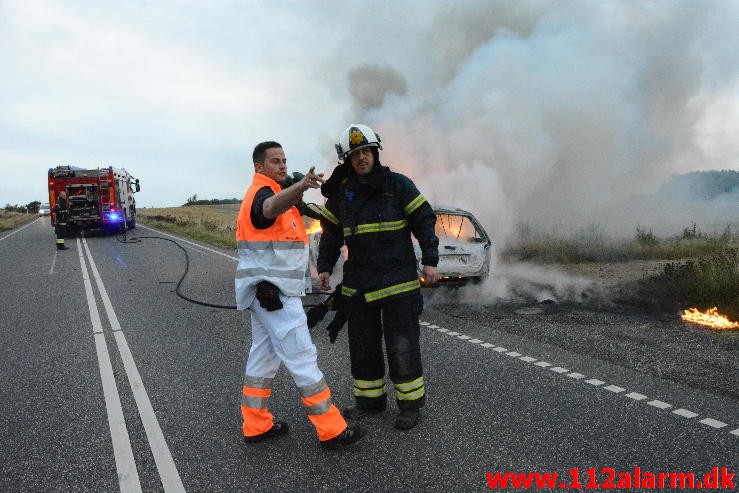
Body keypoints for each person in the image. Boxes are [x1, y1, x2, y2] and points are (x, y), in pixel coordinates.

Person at [235, 141, 363, 448]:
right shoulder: (263, 196)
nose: (281, 165)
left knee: (262, 360)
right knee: (302, 357)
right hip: (275, 296)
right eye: (275, 161)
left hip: (267, 294)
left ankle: (255, 425)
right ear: (259, 167)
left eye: (284, 160)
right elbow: (268, 209)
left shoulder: (277, 196)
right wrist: (302, 185)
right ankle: (331, 429)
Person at [317, 124, 440, 430]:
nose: (361, 158)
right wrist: (324, 267)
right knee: (362, 346)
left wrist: (431, 261)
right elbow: (330, 235)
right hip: (359, 286)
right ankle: (370, 402)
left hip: (398, 283)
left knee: (402, 344)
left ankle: (410, 406)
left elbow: (424, 220)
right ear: (347, 160)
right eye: (355, 154)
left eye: (366, 152)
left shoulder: (398, 185)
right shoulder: (342, 196)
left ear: (375, 152)